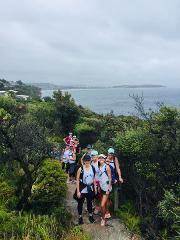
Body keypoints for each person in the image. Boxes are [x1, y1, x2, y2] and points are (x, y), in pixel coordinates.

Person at [76, 154, 97, 225]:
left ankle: (90, 216)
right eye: (86, 160)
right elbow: (78, 180)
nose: (87, 162)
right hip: (82, 188)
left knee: (89, 202)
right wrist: (78, 191)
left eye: (88, 160)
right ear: (84, 161)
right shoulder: (80, 169)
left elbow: (94, 178)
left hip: (90, 188)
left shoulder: (93, 168)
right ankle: (80, 217)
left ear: (90, 161)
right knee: (80, 203)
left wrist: (95, 187)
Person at [105, 147, 123, 216]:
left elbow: (118, 168)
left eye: (112, 154)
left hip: (113, 179)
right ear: (108, 153)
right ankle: (107, 211)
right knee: (107, 194)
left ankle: (115, 210)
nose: (110, 155)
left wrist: (120, 177)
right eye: (109, 154)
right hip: (106, 180)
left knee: (115, 194)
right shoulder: (105, 159)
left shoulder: (115, 159)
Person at [98, 154, 112, 226]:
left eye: (102, 158)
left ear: (104, 159)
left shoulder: (107, 167)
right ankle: (107, 213)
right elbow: (100, 178)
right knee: (105, 202)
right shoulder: (99, 167)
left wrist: (108, 189)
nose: (101, 159)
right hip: (102, 187)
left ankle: (103, 218)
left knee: (102, 204)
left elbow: (110, 178)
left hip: (107, 188)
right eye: (99, 158)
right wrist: (99, 187)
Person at [91, 150, 101, 214]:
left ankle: (98, 207)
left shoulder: (99, 163)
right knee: (92, 195)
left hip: (98, 181)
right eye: (92, 155)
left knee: (97, 195)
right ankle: (93, 206)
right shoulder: (91, 162)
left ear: (97, 155)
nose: (93, 156)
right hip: (92, 181)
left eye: (94, 155)